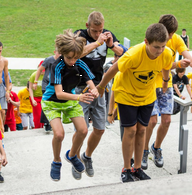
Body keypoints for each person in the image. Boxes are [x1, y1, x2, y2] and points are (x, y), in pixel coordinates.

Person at [97, 23, 172, 182]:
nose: (159, 51)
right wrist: (102, 86)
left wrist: (165, 82)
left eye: (163, 47)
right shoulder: (133, 55)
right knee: (130, 130)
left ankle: (137, 168)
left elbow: (166, 65)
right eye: (156, 47)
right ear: (146, 42)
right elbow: (113, 69)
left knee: (141, 130)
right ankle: (126, 169)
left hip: (147, 95)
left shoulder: (165, 53)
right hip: (127, 93)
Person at [72, 11, 124, 180]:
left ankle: (87, 156)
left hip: (99, 88)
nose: (97, 34)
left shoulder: (106, 34)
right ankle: (76, 158)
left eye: (99, 30)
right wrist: (96, 42)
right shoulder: (79, 35)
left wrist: (110, 44)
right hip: (80, 89)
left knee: (100, 129)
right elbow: (74, 55)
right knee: (81, 130)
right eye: (94, 31)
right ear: (88, 26)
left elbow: (122, 52)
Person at [41, 29, 98, 181]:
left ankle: (72, 155)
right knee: (59, 134)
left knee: (83, 130)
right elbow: (59, 93)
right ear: (62, 53)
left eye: (75, 57)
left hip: (70, 101)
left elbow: (90, 81)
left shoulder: (79, 63)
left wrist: (95, 91)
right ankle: (56, 161)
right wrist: (79, 96)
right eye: (68, 57)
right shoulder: (57, 66)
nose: (72, 61)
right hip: (52, 102)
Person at [142, 14, 192, 171]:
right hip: (152, 83)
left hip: (167, 84)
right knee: (151, 121)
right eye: (169, 33)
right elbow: (159, 65)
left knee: (166, 121)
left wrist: (191, 62)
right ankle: (144, 150)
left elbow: (190, 59)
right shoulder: (154, 39)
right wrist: (177, 63)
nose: (170, 36)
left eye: (172, 33)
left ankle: (156, 148)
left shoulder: (177, 39)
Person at [34, 49, 61, 131]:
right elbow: (39, 69)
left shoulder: (62, 60)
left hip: (56, 84)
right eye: (58, 52)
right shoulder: (49, 60)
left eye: (61, 53)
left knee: (55, 102)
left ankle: (53, 121)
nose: (60, 55)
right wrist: (35, 81)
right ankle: (46, 122)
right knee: (47, 102)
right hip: (46, 84)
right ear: (54, 52)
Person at [29, 61, 45, 129]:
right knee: (38, 115)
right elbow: (30, 88)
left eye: (44, 70)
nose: (42, 72)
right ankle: (37, 128)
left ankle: (43, 127)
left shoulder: (47, 75)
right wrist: (32, 99)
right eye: (41, 70)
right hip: (35, 97)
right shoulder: (34, 75)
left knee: (44, 114)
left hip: (44, 97)